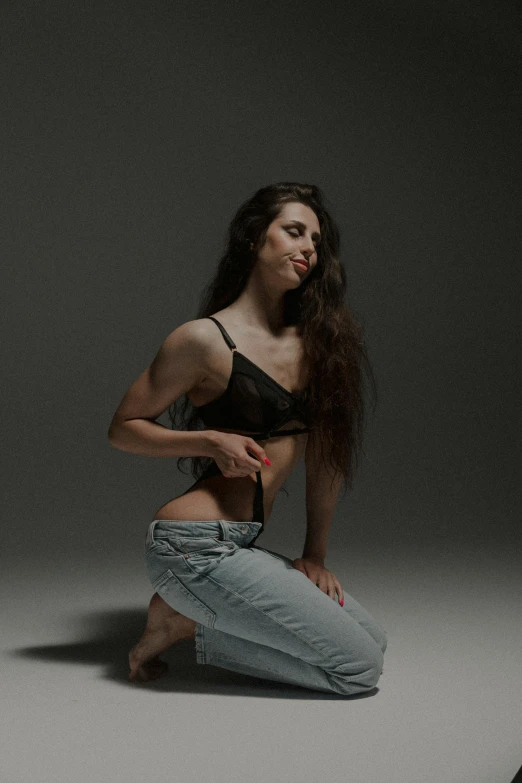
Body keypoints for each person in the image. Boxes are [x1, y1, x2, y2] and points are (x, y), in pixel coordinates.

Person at [108, 182, 387, 695]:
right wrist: (208, 441)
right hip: (190, 546)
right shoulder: (204, 340)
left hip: (239, 544)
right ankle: (187, 625)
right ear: (256, 238)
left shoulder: (322, 341)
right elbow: (122, 429)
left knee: (374, 641)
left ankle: (187, 616)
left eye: (317, 241)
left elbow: (327, 457)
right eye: (294, 231)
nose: (308, 248)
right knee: (357, 670)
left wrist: (315, 555)